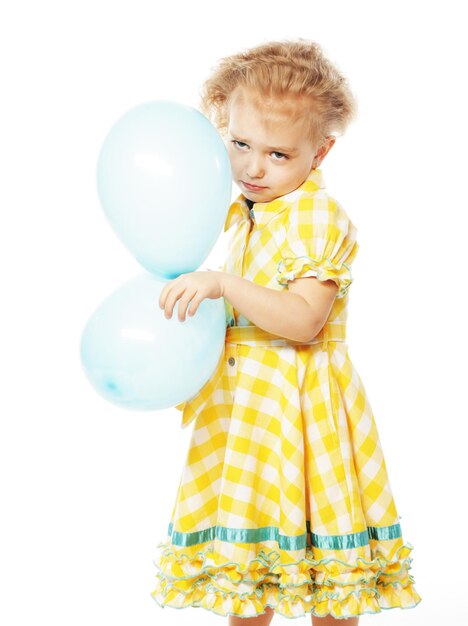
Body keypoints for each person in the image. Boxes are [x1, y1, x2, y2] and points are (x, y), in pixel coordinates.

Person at [151, 39, 422, 624]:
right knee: (248, 576)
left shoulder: (316, 217)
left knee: (325, 575)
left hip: (302, 408)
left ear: (319, 153)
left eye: (278, 154)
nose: (253, 167)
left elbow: (303, 321)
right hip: (247, 412)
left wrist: (221, 285)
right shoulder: (252, 210)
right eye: (240, 143)